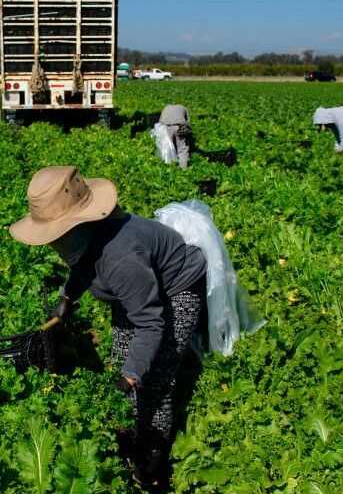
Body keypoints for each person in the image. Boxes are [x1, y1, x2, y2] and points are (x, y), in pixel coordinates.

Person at [10, 166, 207, 489]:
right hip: (138, 287)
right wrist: (68, 296)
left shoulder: (120, 259)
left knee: (155, 378)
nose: (52, 244)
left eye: (57, 235)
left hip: (177, 288)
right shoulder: (91, 238)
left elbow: (151, 322)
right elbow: (86, 264)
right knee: (124, 357)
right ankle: (128, 429)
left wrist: (131, 376)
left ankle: (151, 465)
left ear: (78, 225)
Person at [158, 104, 193, 168]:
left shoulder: (166, 107)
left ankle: (166, 168)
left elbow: (160, 121)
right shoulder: (183, 108)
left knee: (166, 148)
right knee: (182, 149)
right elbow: (188, 122)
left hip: (165, 128)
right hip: (179, 127)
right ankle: (183, 168)